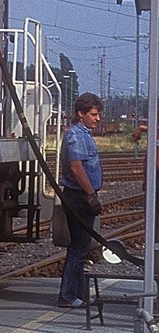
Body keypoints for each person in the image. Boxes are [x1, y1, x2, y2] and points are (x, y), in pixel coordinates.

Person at [58, 92, 104, 308]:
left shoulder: (83, 133)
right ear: (81, 113)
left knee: (82, 247)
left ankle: (77, 293)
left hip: (80, 195)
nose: (98, 118)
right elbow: (76, 167)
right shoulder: (76, 135)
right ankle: (68, 296)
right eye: (94, 114)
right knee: (78, 247)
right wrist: (90, 194)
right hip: (78, 197)